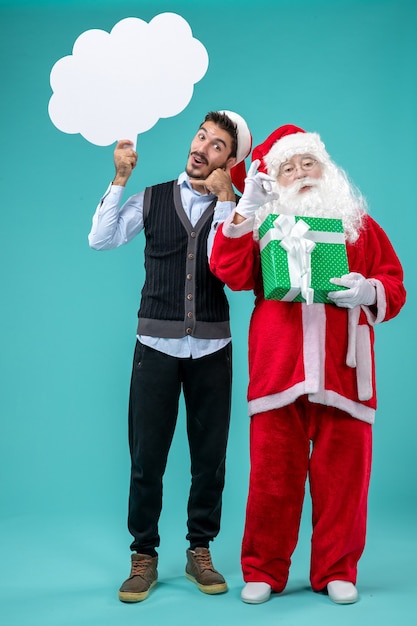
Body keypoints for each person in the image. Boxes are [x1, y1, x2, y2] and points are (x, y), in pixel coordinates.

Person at [209, 124, 406, 605]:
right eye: (288, 168)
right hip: (281, 372)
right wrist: (246, 210)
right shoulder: (261, 226)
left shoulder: (359, 224)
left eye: (307, 163)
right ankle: (263, 570)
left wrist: (368, 290)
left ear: (326, 168)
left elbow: (394, 285)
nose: (300, 174)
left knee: (344, 482)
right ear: (275, 179)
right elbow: (229, 272)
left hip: (345, 375)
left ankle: (337, 569)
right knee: (272, 481)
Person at [88, 110, 251, 602]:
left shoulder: (239, 208)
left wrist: (227, 201)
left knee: (210, 459)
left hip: (212, 347)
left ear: (230, 161)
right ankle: (144, 555)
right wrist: (119, 179)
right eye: (202, 136)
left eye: (218, 145)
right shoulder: (153, 197)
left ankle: (199, 549)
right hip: (155, 346)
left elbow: (225, 265)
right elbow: (101, 239)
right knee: (147, 458)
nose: (203, 147)